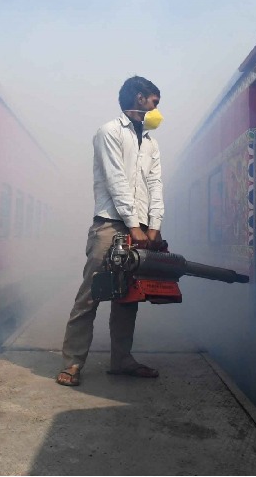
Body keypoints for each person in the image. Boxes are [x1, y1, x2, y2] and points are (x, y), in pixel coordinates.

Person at [56, 76, 165, 387]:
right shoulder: (109, 133)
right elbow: (117, 181)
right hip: (110, 225)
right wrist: (133, 225)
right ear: (140, 99)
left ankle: (121, 360)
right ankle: (73, 362)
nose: (158, 110)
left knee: (127, 296)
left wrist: (153, 226)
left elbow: (155, 185)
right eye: (155, 102)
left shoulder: (152, 143)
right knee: (91, 294)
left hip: (141, 228)